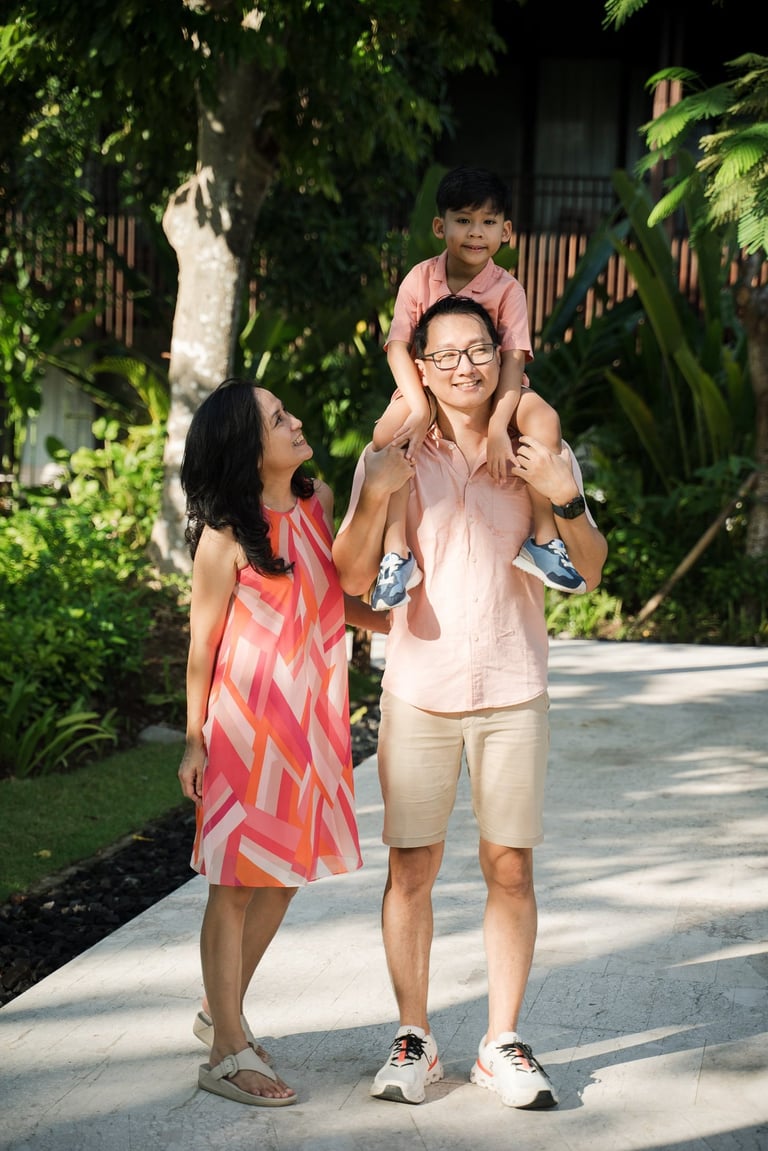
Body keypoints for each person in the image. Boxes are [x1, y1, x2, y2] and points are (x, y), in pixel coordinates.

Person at [332, 296, 607, 1110]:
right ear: (419, 368)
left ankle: (501, 1041)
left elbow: (591, 569)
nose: (465, 366)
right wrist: (375, 495)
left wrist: (563, 495)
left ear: (501, 354)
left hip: (514, 688)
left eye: (479, 348)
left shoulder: (535, 444)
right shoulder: (392, 449)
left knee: (510, 866)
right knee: (410, 866)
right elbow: (349, 577)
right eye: (446, 354)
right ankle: (413, 1037)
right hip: (419, 691)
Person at [177, 378, 394, 1107]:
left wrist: (394, 620)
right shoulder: (225, 538)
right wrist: (193, 740)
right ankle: (224, 1052)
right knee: (234, 884)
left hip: (311, 727)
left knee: (282, 875)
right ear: (248, 447)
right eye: (277, 419)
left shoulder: (316, 502)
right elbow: (202, 646)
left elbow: (328, 596)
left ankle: (220, 1009)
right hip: (245, 731)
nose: (295, 421)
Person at [369, 165, 585, 611]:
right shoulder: (419, 279)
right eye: (463, 220)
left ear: (505, 231)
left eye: (488, 222)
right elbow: (398, 349)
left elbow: (513, 360)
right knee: (386, 434)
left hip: (498, 388)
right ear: (440, 226)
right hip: (429, 387)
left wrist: (500, 425)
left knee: (544, 419)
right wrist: (419, 409)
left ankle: (544, 538)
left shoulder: (508, 289)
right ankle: (396, 552)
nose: (475, 232)